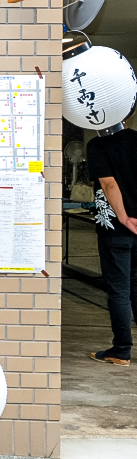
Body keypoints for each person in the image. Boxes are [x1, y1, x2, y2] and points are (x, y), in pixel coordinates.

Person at [87, 125, 137, 366]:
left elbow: (108, 184)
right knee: (136, 286)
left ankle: (121, 350)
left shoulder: (98, 145)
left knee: (119, 289)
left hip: (115, 229)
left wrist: (123, 217)